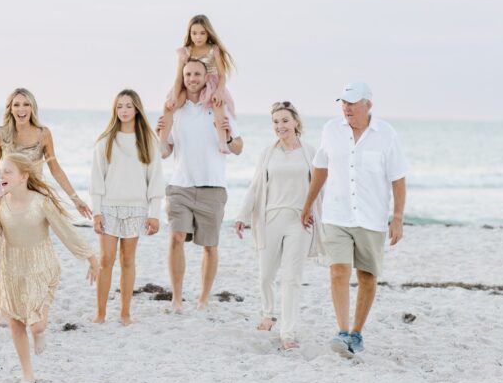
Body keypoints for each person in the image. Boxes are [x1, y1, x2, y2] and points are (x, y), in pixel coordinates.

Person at [300, 82, 408, 356]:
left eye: (352, 102)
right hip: (337, 214)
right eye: (343, 102)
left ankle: (357, 333)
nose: (346, 108)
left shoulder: (386, 134)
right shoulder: (330, 130)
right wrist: (308, 205)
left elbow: (397, 177)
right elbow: (321, 170)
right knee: (338, 270)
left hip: (371, 218)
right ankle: (342, 330)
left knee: (367, 276)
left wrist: (397, 217)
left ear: (367, 105)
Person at [0, 153, 100, 383]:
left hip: (40, 264)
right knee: (15, 321)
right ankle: (27, 374)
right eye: (1, 171)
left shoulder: (41, 202)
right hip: (11, 267)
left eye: (7, 171)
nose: (1, 175)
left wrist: (91, 258)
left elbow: (66, 231)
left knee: (37, 326)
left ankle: (39, 333)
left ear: (23, 176)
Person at [234, 101, 323, 350]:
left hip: (300, 221)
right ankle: (269, 313)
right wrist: (241, 215)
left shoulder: (310, 152)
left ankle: (288, 332)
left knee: (292, 278)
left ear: (296, 122)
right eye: (275, 122)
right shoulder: (268, 153)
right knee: (266, 275)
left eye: (284, 120)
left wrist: (314, 209)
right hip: (270, 219)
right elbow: (255, 187)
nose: (280, 126)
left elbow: (320, 186)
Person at [157, 58, 243, 312]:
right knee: (175, 238)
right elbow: (164, 152)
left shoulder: (219, 108)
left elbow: (238, 148)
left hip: (213, 186)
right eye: (188, 74)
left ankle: (204, 299)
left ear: (206, 78)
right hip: (180, 186)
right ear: (182, 78)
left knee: (209, 246)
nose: (192, 78)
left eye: (197, 74)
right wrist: (159, 135)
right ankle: (176, 298)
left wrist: (227, 135)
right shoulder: (175, 110)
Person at [89, 89, 164, 325]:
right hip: (109, 207)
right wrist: (97, 212)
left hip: (137, 208)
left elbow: (156, 179)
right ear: (115, 110)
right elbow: (96, 179)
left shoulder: (149, 141)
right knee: (106, 259)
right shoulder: (105, 141)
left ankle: (125, 313)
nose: (124, 110)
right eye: (119, 106)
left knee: (128, 260)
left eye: (128, 106)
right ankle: (100, 314)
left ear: (137, 109)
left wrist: (155, 214)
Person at [0, 88, 93, 219]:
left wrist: (75, 199)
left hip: (35, 196)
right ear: (10, 109)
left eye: (26, 104)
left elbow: (55, 169)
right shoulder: (1, 134)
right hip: (6, 196)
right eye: (16, 105)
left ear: (32, 108)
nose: (21, 109)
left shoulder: (43, 134)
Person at [165, 14, 238, 151]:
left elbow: (222, 75)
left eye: (202, 33)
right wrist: (175, 94)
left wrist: (219, 91)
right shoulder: (186, 51)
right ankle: (163, 142)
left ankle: (223, 141)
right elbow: (179, 77)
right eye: (194, 33)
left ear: (208, 33)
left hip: (211, 84)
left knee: (218, 104)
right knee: (170, 105)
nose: (198, 37)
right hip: (190, 84)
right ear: (189, 33)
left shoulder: (213, 50)